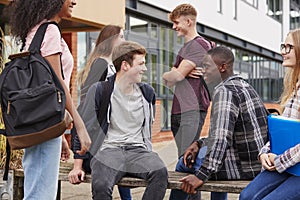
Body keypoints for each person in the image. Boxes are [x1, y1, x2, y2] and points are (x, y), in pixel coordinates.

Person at [9, 0, 91, 199]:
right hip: (44, 125)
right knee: (41, 192)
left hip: (39, 123)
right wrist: (79, 125)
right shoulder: (50, 31)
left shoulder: (36, 30)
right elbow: (59, 82)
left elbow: (44, 88)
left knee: (37, 187)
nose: (74, 1)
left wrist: (60, 134)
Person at [170, 46, 269, 200]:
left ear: (222, 67)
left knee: (183, 163)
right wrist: (199, 143)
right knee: (209, 155)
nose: (203, 70)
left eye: (207, 66)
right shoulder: (245, 86)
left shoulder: (225, 91)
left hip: (242, 168)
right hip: (257, 163)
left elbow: (221, 139)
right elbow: (228, 134)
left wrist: (201, 176)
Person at [74, 40, 168, 199]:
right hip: (108, 151)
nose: (144, 69)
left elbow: (147, 124)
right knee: (101, 185)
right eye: (141, 64)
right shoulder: (100, 90)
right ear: (125, 65)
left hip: (138, 151)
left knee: (160, 173)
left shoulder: (147, 92)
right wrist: (78, 166)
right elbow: (82, 127)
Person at [68, 25, 132, 200]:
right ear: (111, 40)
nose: (124, 40)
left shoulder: (110, 64)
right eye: (121, 37)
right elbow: (87, 111)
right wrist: (78, 161)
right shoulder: (102, 64)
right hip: (95, 141)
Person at [239, 29, 300, 200]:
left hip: (290, 163)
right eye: (283, 46)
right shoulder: (293, 86)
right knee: (246, 196)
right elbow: (282, 129)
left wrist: (279, 160)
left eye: (289, 47)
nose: (283, 51)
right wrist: (264, 152)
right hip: (287, 162)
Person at [162, 3, 212, 159]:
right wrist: (172, 74)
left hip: (192, 109)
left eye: (176, 22)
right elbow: (168, 81)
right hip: (178, 109)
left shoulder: (199, 44)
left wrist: (175, 73)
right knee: (181, 157)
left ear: (188, 22)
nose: (173, 27)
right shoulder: (185, 48)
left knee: (186, 157)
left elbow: (175, 77)